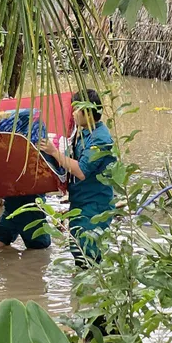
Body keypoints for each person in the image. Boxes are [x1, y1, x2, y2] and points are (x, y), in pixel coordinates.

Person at [39, 89, 116, 267]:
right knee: (77, 247)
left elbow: (81, 171)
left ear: (87, 112)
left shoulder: (100, 139)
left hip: (95, 204)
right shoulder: (83, 132)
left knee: (87, 251)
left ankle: (91, 288)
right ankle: (82, 291)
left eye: (76, 110)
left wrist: (54, 152)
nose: (73, 114)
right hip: (81, 200)